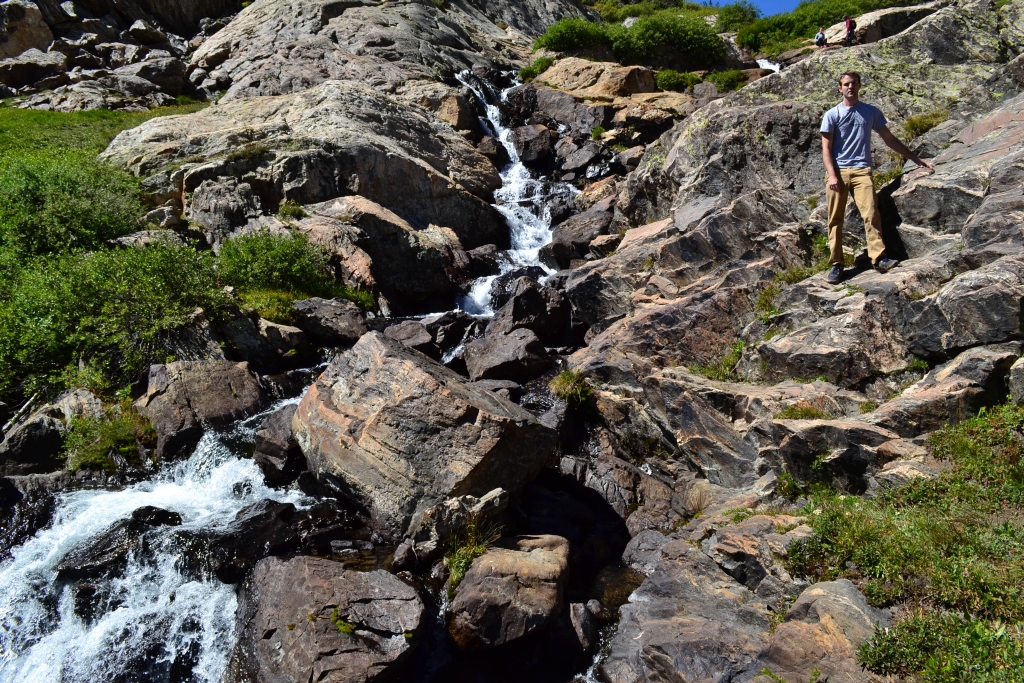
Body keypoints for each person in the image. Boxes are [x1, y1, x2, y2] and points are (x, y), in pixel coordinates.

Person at [820, 71, 934, 284]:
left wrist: (916, 159)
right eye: (846, 84)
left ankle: (878, 258)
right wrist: (833, 175)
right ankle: (837, 264)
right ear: (840, 88)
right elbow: (825, 148)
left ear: (859, 86)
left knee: (871, 213)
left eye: (853, 83)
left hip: (862, 170)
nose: (850, 87)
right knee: (835, 219)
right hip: (839, 171)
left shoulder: (870, 112)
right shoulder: (832, 115)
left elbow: (889, 139)